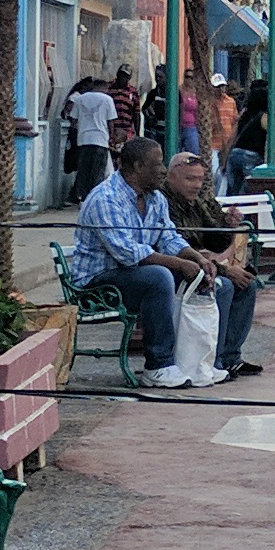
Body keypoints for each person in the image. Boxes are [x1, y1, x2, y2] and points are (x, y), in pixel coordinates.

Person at [69, 131, 212, 390]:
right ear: (137, 167)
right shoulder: (106, 198)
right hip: (97, 284)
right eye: (157, 164)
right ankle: (158, 366)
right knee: (158, 277)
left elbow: (169, 238)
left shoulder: (155, 198)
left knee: (215, 280)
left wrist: (196, 258)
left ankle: (211, 362)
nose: (163, 170)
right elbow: (127, 253)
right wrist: (179, 265)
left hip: (129, 277)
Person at [165, 150, 262, 380]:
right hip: (177, 268)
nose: (196, 185)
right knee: (224, 285)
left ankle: (230, 357)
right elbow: (178, 247)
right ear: (171, 177)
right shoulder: (164, 202)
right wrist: (225, 269)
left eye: (199, 179)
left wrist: (227, 225)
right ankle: (214, 361)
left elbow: (214, 241)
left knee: (246, 285)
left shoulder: (196, 203)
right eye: (190, 179)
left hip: (202, 265)